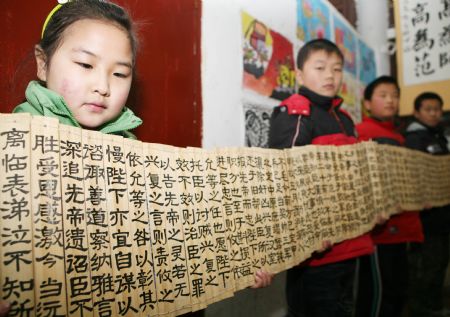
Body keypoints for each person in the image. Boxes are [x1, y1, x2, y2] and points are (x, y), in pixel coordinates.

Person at [7, 0, 273, 315]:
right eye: (85, 65)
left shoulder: (134, 159)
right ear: (42, 62)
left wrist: (230, 269)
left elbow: (166, 252)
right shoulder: (12, 149)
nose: (103, 86)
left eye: (120, 73)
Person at [269, 38, 374, 317]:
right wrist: (306, 230)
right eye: (320, 67)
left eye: (337, 69)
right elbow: (283, 176)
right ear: (300, 75)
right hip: (317, 253)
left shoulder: (345, 119)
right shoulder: (296, 112)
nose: (330, 75)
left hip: (351, 243)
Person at [355, 76, 424, 317]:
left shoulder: (400, 137)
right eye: (383, 95)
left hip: (402, 228)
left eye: (395, 95)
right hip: (378, 234)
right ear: (367, 102)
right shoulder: (360, 133)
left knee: (398, 291)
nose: (390, 100)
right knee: (377, 295)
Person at [405, 92, 450, 317]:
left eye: (437, 109)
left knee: (440, 262)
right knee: (425, 266)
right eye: (428, 109)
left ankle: (434, 305)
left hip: (443, 214)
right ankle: (421, 308)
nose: (434, 113)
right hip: (424, 218)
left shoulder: (439, 136)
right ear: (417, 112)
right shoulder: (413, 139)